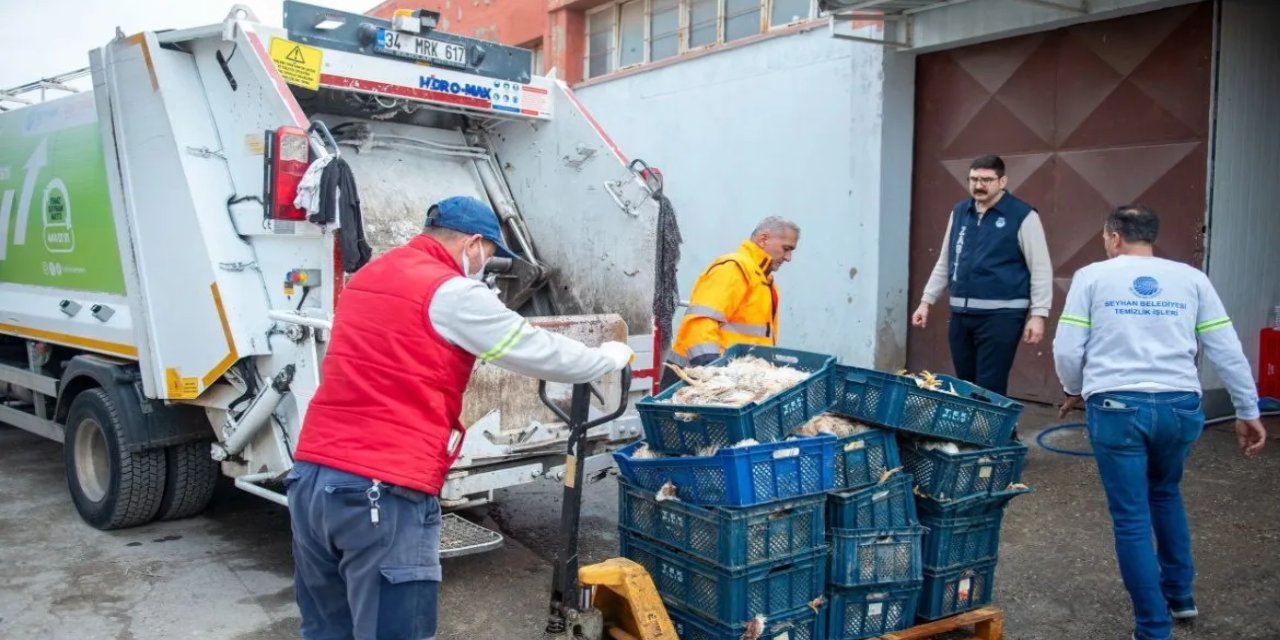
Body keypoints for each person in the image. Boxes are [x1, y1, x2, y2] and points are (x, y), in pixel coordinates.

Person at [284, 195, 635, 640]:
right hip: (381, 488)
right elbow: (535, 350)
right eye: (489, 254)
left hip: (312, 480)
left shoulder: (370, 274)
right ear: (472, 244)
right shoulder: (451, 291)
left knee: (327, 630)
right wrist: (605, 358)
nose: (487, 265)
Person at [1052, 204, 1267, 640]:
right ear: (1151, 237)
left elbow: (1067, 349)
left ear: (1114, 237)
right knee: (1166, 493)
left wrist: (1074, 388)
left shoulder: (1092, 277)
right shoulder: (1191, 278)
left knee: (1131, 518)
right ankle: (1180, 597)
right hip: (1180, 407)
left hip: (1117, 407)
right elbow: (1226, 348)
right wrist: (1248, 410)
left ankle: (1152, 628)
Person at [912, 154, 1053, 403]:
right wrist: (927, 300)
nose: (979, 185)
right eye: (974, 179)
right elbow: (945, 260)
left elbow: (1040, 267)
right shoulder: (960, 212)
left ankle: (994, 437)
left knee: (990, 386)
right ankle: (971, 438)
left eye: (987, 179)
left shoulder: (1022, 215)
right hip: (961, 315)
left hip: (1002, 315)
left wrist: (1039, 314)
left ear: (1002, 181)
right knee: (965, 384)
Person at [661, 216, 799, 389]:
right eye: (786, 249)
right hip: (696, 381)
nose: (788, 258)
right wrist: (713, 371)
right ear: (763, 239)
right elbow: (700, 323)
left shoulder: (763, 280)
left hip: (729, 381)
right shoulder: (734, 268)